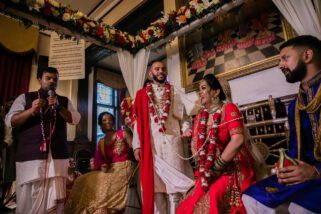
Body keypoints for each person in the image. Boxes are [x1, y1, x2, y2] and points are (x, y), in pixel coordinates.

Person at [242, 35, 321, 213]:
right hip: (303, 174)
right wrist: (286, 167)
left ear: (307, 55)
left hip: (316, 174)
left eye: (285, 58)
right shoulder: (295, 105)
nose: (280, 65)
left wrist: (315, 171)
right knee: (251, 197)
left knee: (299, 208)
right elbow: (295, 148)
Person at [5, 66, 81, 214]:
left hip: (57, 159)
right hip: (30, 159)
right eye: (48, 78)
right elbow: (10, 121)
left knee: (55, 201)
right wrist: (31, 110)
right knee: (28, 198)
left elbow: (75, 119)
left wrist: (59, 107)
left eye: (55, 79)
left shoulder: (63, 101)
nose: (52, 81)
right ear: (40, 79)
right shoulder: (25, 97)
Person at [177, 74, 256, 214]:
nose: (199, 93)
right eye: (198, 89)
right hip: (208, 171)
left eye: (203, 88)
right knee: (187, 202)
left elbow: (238, 140)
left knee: (211, 198)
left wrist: (218, 166)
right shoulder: (201, 115)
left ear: (215, 91)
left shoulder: (229, 108)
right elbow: (196, 145)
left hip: (230, 168)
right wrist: (205, 168)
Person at [132, 60, 194, 214]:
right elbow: (137, 123)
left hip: (173, 144)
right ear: (150, 73)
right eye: (157, 69)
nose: (161, 71)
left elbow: (184, 117)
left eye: (163, 69)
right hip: (152, 146)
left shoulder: (174, 92)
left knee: (174, 190)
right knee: (157, 189)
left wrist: (186, 129)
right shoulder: (141, 95)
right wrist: (137, 145)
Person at [65, 112, 135, 213]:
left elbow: (136, 148)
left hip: (125, 167)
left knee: (103, 183)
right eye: (104, 120)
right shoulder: (101, 142)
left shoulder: (123, 133)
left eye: (110, 119)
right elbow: (99, 160)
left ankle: (100, 208)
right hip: (110, 169)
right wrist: (102, 165)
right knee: (81, 180)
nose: (108, 122)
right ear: (100, 124)